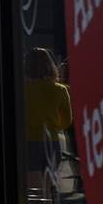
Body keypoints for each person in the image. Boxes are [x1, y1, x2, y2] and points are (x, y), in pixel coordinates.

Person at [23, 47, 73, 191]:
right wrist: (54, 126)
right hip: (52, 142)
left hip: (29, 141)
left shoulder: (21, 88)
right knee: (47, 187)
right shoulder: (60, 90)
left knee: (34, 189)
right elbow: (67, 120)